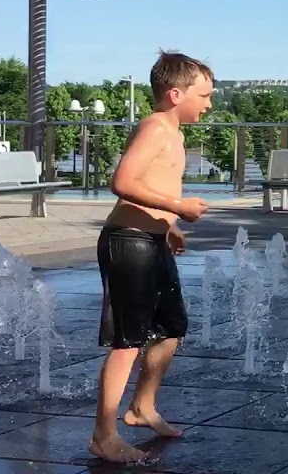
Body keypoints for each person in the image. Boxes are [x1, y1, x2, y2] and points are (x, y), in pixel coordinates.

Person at [88, 51, 213, 463]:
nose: (209, 104)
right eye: (205, 95)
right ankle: (103, 437)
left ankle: (142, 407)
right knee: (128, 341)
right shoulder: (156, 127)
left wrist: (169, 227)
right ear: (176, 94)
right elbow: (122, 181)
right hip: (129, 241)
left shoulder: (172, 132)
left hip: (151, 239)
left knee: (171, 327)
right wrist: (178, 207)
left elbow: (148, 183)